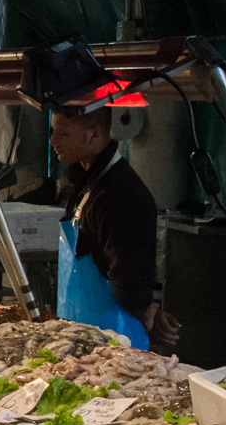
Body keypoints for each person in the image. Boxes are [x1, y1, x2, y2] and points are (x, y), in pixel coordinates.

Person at [50, 107, 180, 349]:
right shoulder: (86, 184)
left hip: (116, 341)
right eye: (53, 131)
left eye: (63, 134)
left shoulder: (121, 195)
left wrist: (146, 310)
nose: (53, 141)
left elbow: (129, 276)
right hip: (82, 334)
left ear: (94, 135)